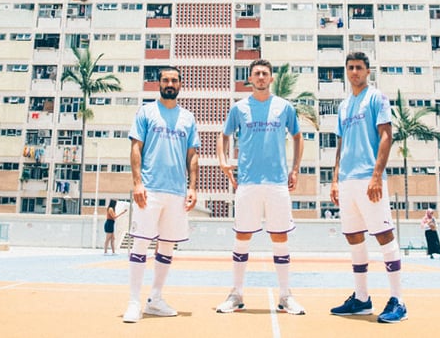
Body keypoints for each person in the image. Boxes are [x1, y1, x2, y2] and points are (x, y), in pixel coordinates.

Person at [215, 59, 306, 316]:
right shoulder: (239, 108)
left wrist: (295, 169)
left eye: (265, 73)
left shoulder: (284, 107)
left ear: (271, 79)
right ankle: (236, 294)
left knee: (280, 238)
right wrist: (223, 162)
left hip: (277, 183)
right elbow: (224, 135)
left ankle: (286, 296)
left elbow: (298, 137)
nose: (261, 77)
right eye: (257, 74)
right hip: (248, 183)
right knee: (242, 237)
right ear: (251, 79)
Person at [329, 52, 407, 324]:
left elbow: (386, 135)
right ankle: (362, 299)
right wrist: (335, 179)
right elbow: (341, 145)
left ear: (367, 71)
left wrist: (377, 175)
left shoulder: (377, 98)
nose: (354, 72)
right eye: (350, 68)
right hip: (347, 181)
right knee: (353, 237)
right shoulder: (342, 106)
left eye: (359, 68)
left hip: (368, 178)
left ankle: (399, 300)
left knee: (384, 235)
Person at [122, 66, 200, 324]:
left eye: (174, 80)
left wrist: (192, 187)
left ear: (180, 84)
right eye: (165, 79)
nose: (170, 83)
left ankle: (155, 299)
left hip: (177, 192)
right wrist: (137, 183)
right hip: (150, 189)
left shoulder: (188, 117)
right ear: (158, 83)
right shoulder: (146, 112)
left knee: (167, 246)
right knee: (141, 244)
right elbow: (136, 148)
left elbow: (193, 155)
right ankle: (134, 302)